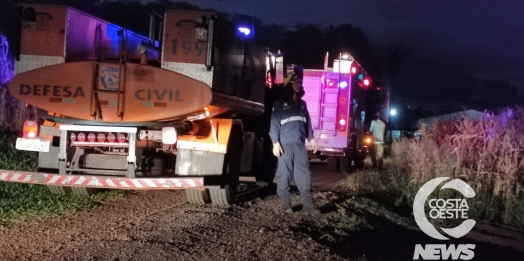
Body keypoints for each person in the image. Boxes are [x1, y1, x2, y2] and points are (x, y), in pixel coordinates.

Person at [269, 73, 320, 214]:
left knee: (303, 173)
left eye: (300, 82)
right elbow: (274, 125)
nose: (300, 84)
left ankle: (308, 206)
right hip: (285, 145)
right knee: (284, 173)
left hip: (299, 145)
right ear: (289, 85)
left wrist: (311, 138)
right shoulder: (279, 104)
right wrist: (275, 143)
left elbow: (307, 123)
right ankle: (286, 204)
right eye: (297, 82)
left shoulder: (302, 105)